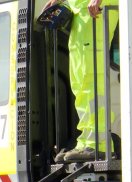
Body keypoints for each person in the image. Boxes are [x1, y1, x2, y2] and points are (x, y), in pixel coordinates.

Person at [44, 0, 118, 162]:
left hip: (95, 12)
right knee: (80, 84)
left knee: (91, 81)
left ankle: (98, 144)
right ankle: (86, 141)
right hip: (82, 14)